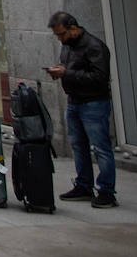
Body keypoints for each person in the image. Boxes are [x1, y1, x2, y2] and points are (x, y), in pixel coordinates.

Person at [48, 11, 115, 208]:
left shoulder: (95, 46)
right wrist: (59, 72)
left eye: (62, 34)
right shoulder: (68, 47)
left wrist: (67, 72)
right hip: (74, 101)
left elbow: (100, 77)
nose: (60, 39)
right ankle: (84, 185)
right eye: (57, 36)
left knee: (101, 147)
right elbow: (69, 68)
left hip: (94, 102)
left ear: (74, 28)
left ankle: (107, 191)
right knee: (78, 144)